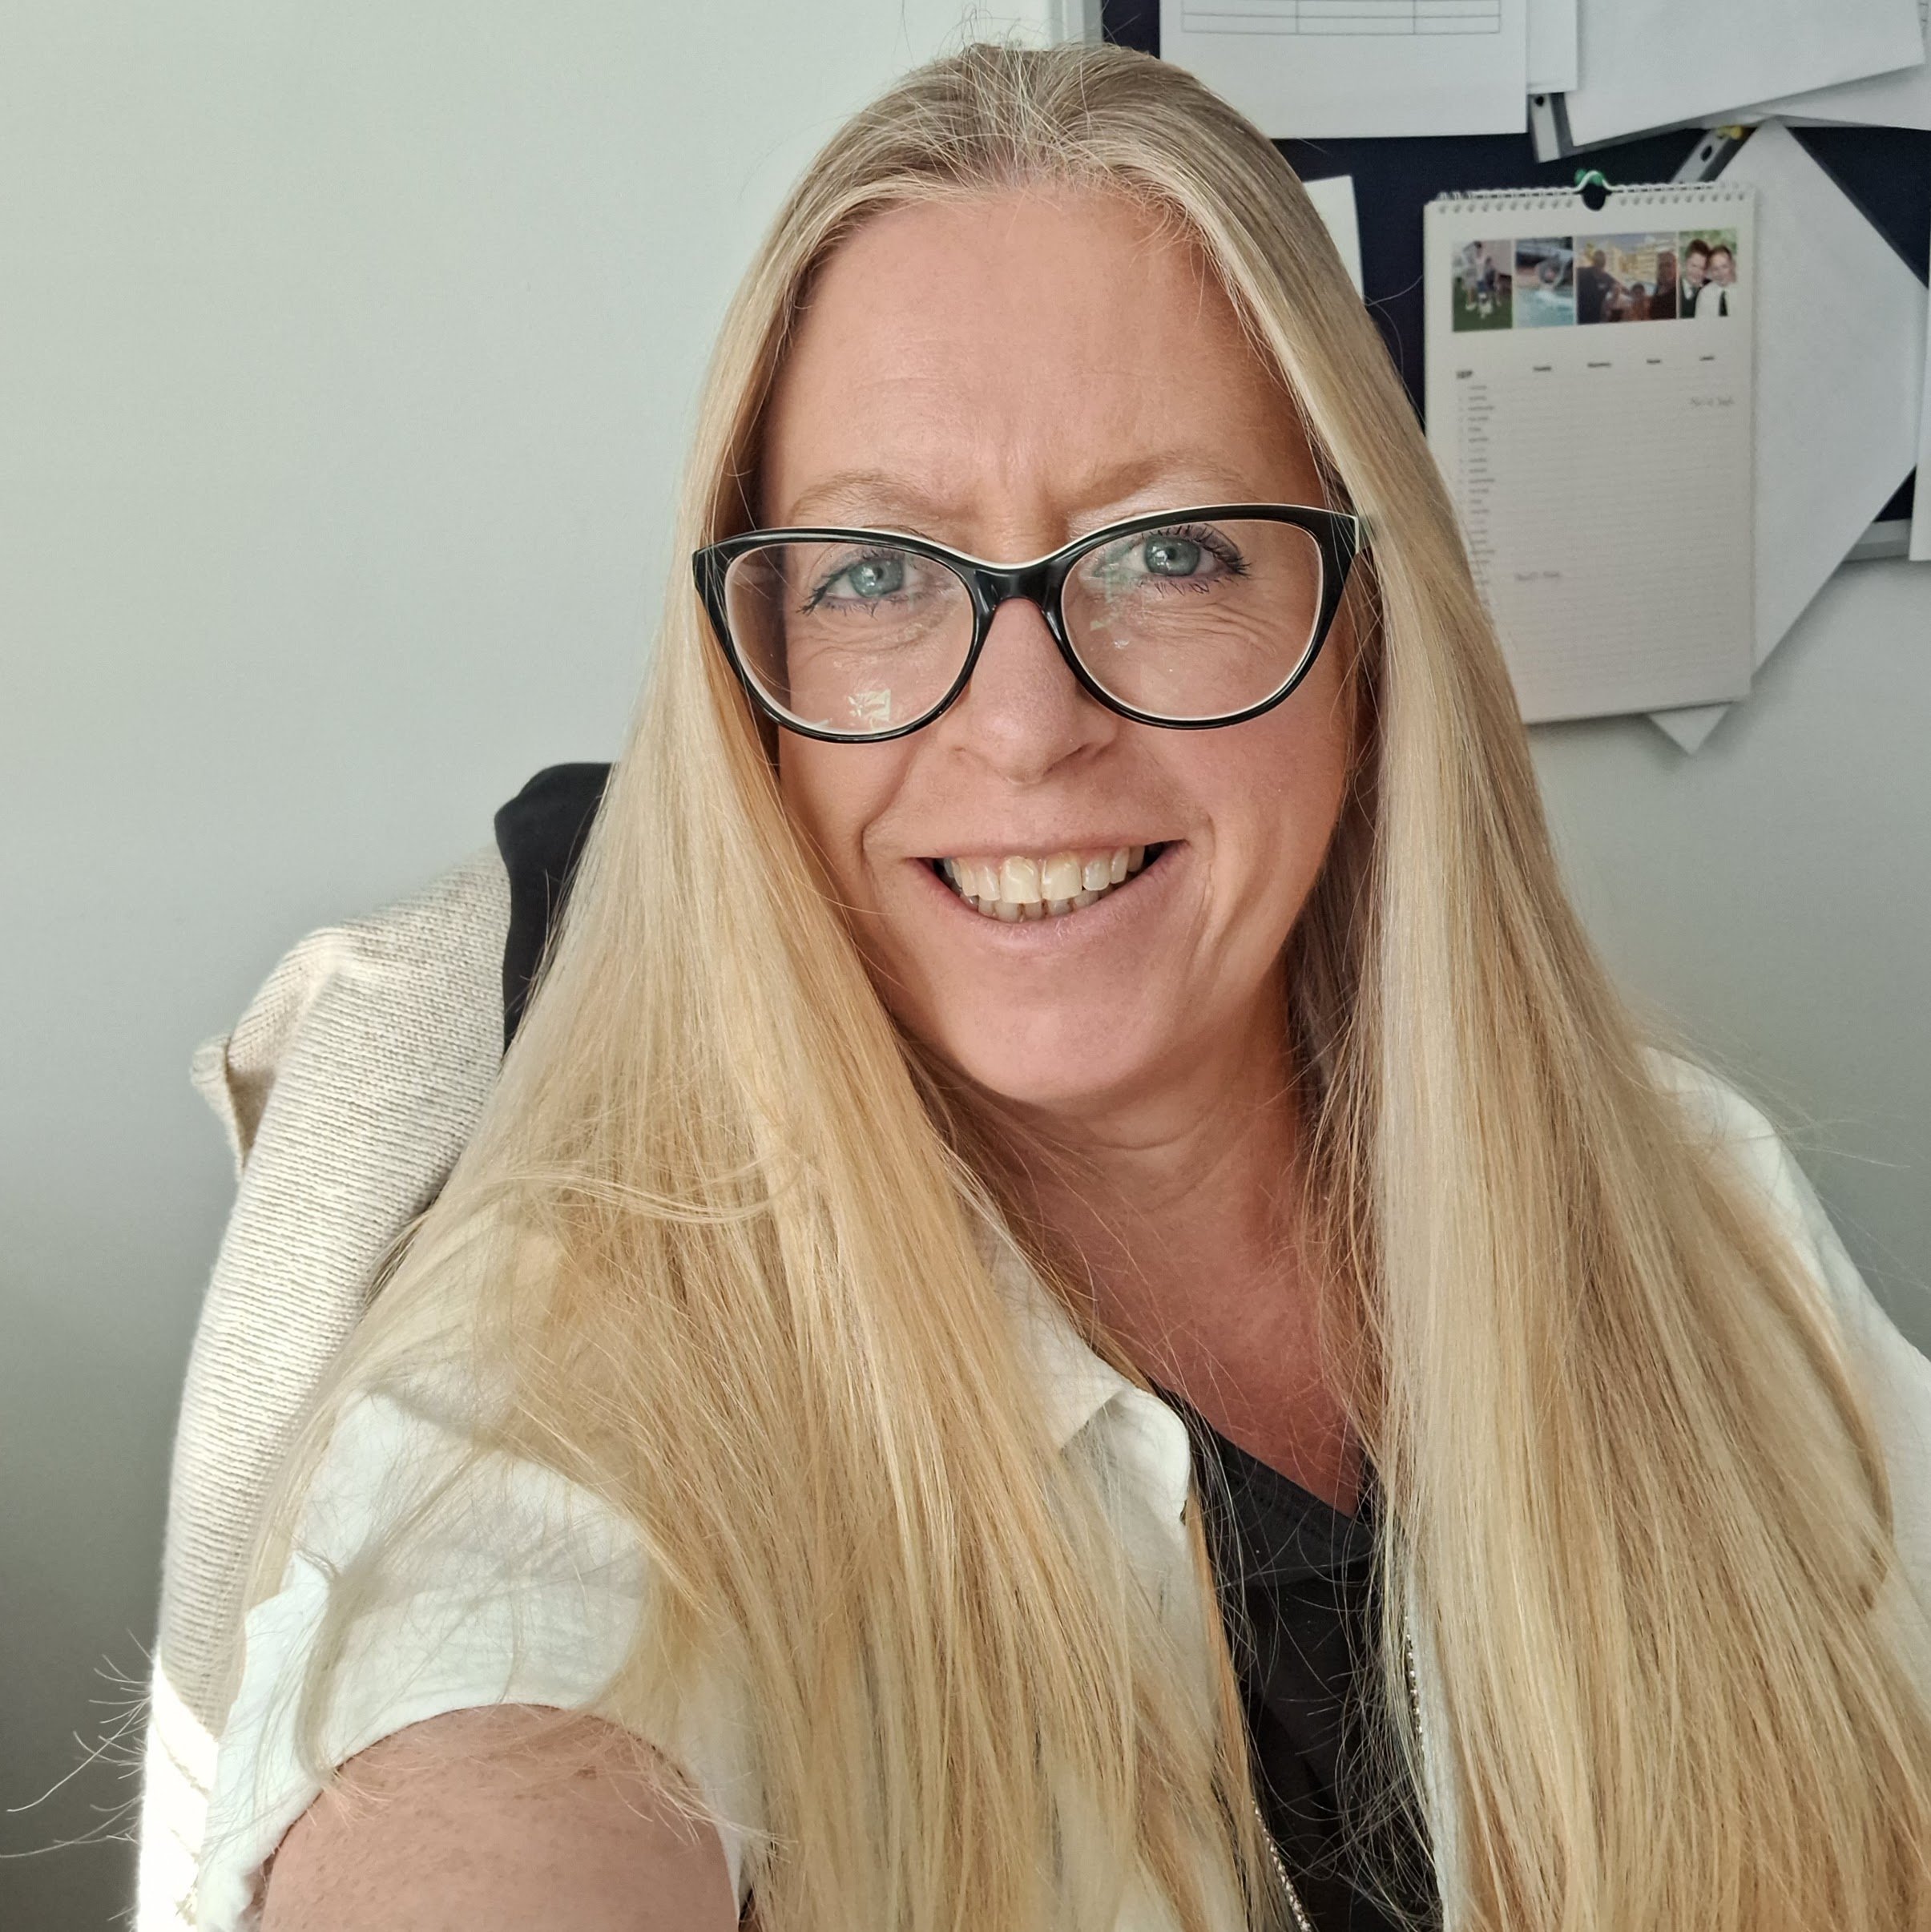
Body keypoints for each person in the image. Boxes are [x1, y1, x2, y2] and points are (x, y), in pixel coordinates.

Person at [191, 40, 1931, 1932]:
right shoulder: (572, 1384)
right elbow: (489, 1756)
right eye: (873, 575)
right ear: (750, 677)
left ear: (1364, 629)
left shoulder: (1690, 1195)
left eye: (1170, 549)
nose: (1023, 728)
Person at [1574, 245, 1615, 324]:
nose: (1599, 270)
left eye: (1601, 266)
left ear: (1604, 265)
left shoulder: (1608, 279)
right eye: (1597, 265)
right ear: (1593, 263)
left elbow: (1619, 288)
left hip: (1596, 318)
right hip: (1580, 316)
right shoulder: (1581, 273)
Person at [1698, 244, 1737, 317]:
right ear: (1710, 271)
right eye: (1715, 269)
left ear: (1732, 266)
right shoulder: (1705, 294)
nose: (1720, 273)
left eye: (1724, 267)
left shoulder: (1741, 290)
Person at [1682, 236, 1711, 314]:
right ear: (1685, 263)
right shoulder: (1673, 288)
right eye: (1694, 266)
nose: (1697, 272)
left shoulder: (1711, 289)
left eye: (1702, 268)